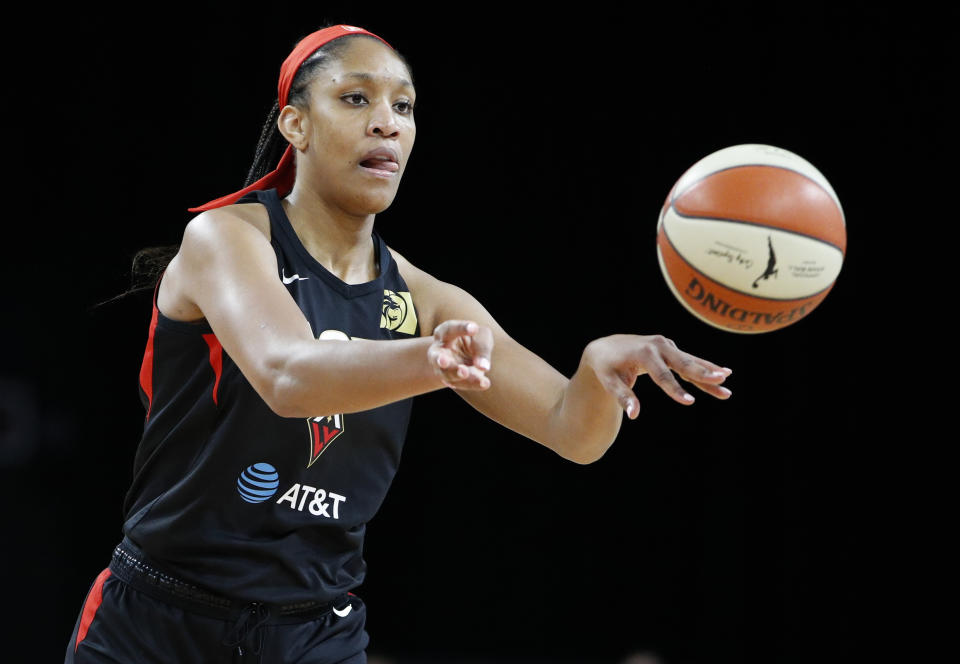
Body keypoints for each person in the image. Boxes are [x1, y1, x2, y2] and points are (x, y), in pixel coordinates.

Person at [65, 24, 732, 664]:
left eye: (404, 106)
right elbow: (288, 375)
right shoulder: (228, 238)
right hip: (158, 619)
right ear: (295, 125)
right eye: (356, 98)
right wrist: (426, 359)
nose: (386, 121)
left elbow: (572, 431)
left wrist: (594, 373)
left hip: (314, 633)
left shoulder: (427, 299)